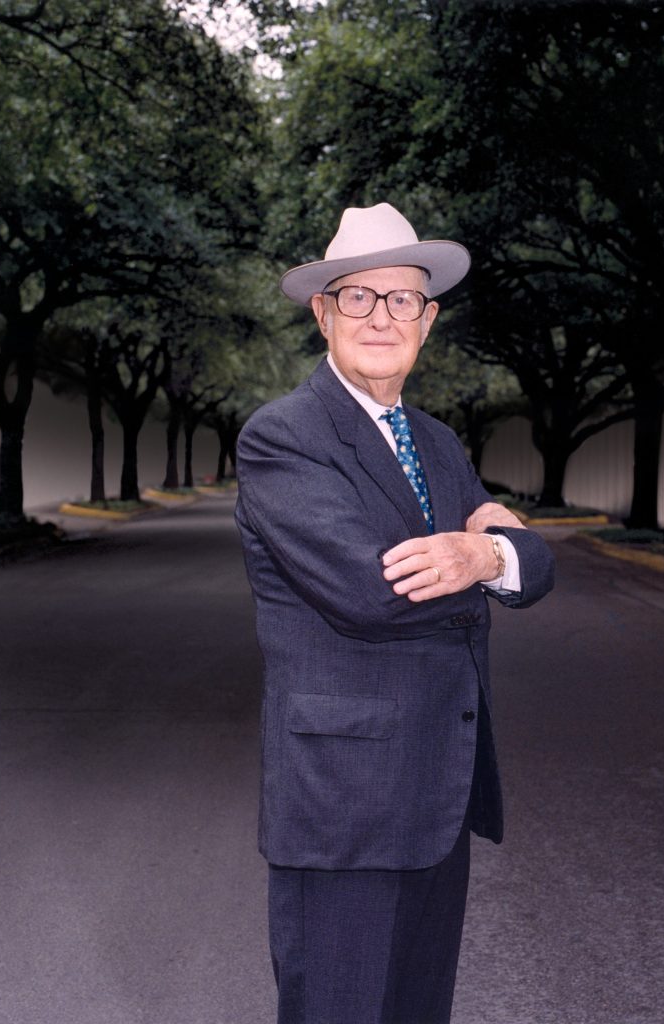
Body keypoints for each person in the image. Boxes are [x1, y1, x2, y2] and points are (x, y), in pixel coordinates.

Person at [235, 202, 555, 1024]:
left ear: (429, 319)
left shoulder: (439, 443)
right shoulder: (285, 438)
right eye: (358, 297)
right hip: (346, 804)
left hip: (435, 793)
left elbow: (533, 564)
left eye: (402, 299)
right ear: (322, 313)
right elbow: (370, 592)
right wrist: (486, 557)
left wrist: (484, 556)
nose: (382, 316)